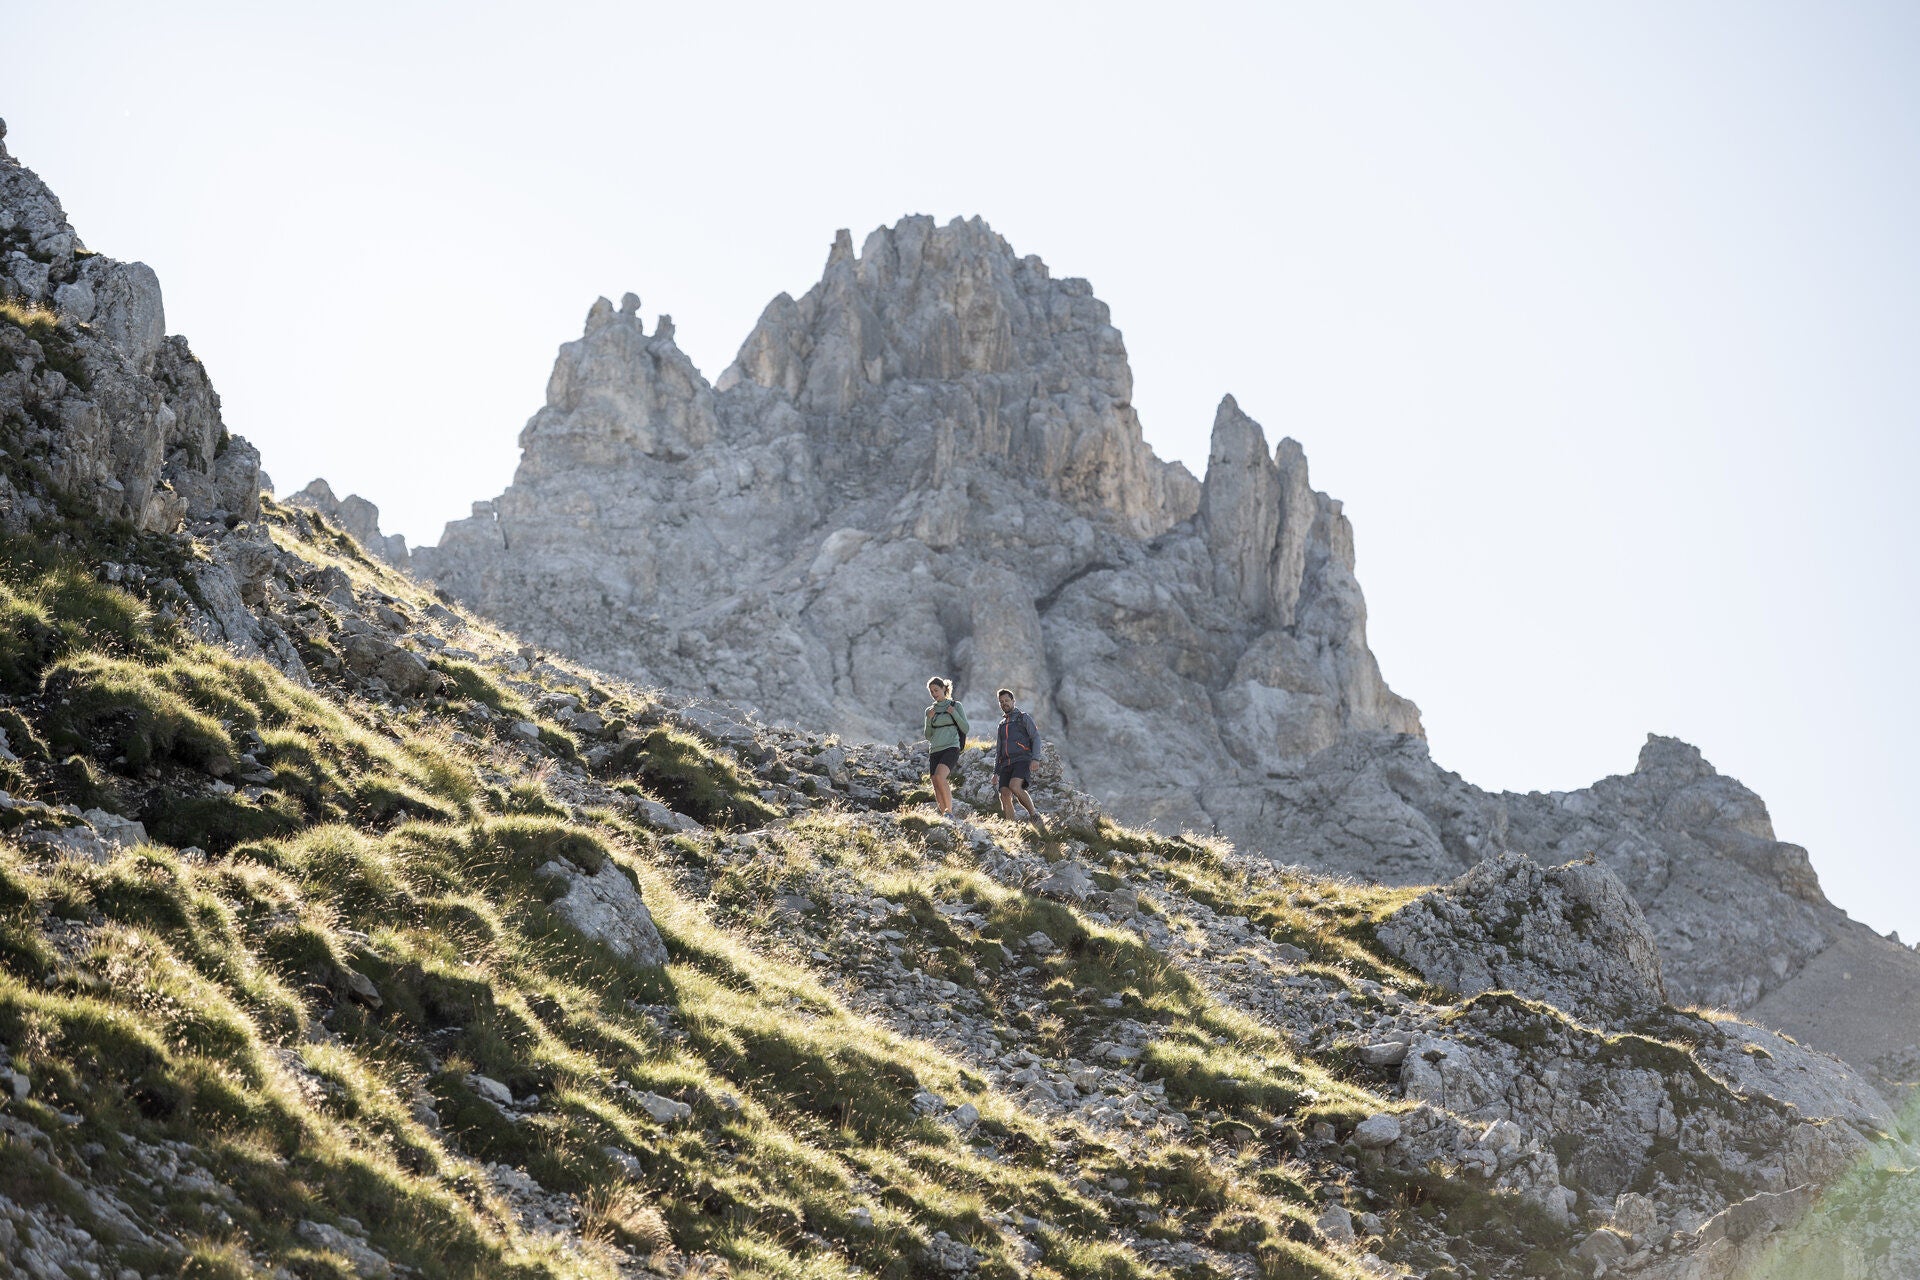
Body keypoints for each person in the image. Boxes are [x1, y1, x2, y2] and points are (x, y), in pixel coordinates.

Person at [993, 688, 1043, 826]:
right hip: (1005, 764)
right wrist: (996, 772)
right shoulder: (1001, 725)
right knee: (1004, 794)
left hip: (1022, 759)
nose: (1004, 704)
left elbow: (1036, 738)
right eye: (1001, 702)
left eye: (1007, 700)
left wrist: (1035, 758)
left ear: (1013, 701)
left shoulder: (1023, 717)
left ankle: (1034, 815)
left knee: (1015, 786)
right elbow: (999, 750)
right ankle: (1011, 827)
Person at [921, 677, 968, 818]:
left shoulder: (956, 705)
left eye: (936, 690)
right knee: (935, 781)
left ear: (943, 688)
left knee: (940, 777)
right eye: (931, 691)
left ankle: (949, 812)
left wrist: (953, 712)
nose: (934, 693)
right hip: (934, 749)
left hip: (951, 747)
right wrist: (929, 719)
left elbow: (965, 728)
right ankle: (944, 815)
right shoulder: (929, 710)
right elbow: (928, 735)